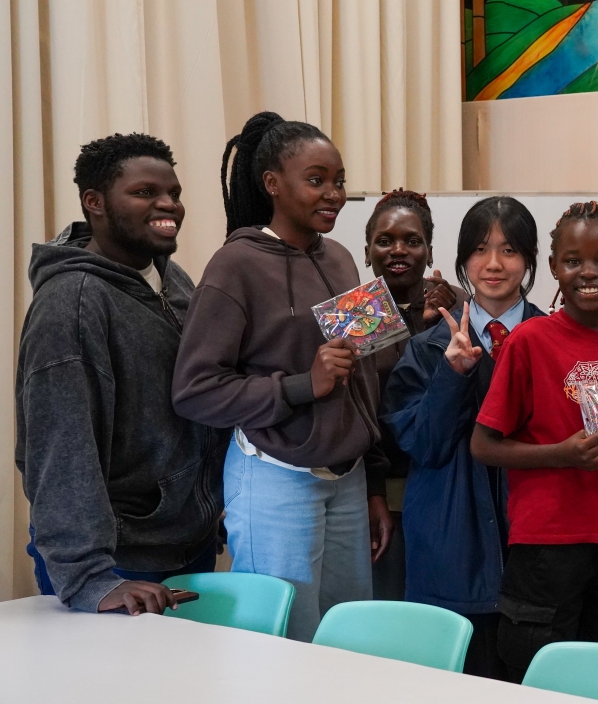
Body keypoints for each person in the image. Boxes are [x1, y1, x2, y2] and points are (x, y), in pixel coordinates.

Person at [172, 111, 384, 641]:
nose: (333, 194)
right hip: (277, 475)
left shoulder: (340, 259)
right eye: (316, 180)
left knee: (348, 638)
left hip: (348, 478)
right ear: (272, 183)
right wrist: (300, 384)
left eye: (338, 180)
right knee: (284, 641)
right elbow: (194, 391)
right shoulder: (235, 265)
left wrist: (427, 331)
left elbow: (364, 372)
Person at [17, 133, 227, 616]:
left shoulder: (171, 279)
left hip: (183, 542)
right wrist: (90, 578)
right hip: (114, 565)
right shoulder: (71, 303)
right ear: (94, 202)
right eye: (144, 192)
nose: (168, 204)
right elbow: (59, 450)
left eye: (173, 192)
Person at [471, 201, 598, 681]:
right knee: (539, 675)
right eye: (573, 261)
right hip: (545, 544)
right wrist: (563, 454)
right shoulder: (529, 340)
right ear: (554, 267)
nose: (588, 272)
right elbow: (484, 445)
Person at [381, 196, 543, 679]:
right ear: (461, 260)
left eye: (509, 250)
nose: (493, 264)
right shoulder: (426, 348)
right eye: (479, 249)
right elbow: (423, 446)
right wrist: (452, 374)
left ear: (530, 259)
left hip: (534, 547)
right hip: (450, 547)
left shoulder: (554, 339)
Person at [363, 188, 457, 601]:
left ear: (430, 251)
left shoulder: (458, 306)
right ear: (367, 251)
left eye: (412, 240)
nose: (398, 250)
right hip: (377, 490)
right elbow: (354, 407)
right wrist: (373, 491)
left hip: (445, 488)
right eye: (385, 240)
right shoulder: (359, 313)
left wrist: (434, 323)